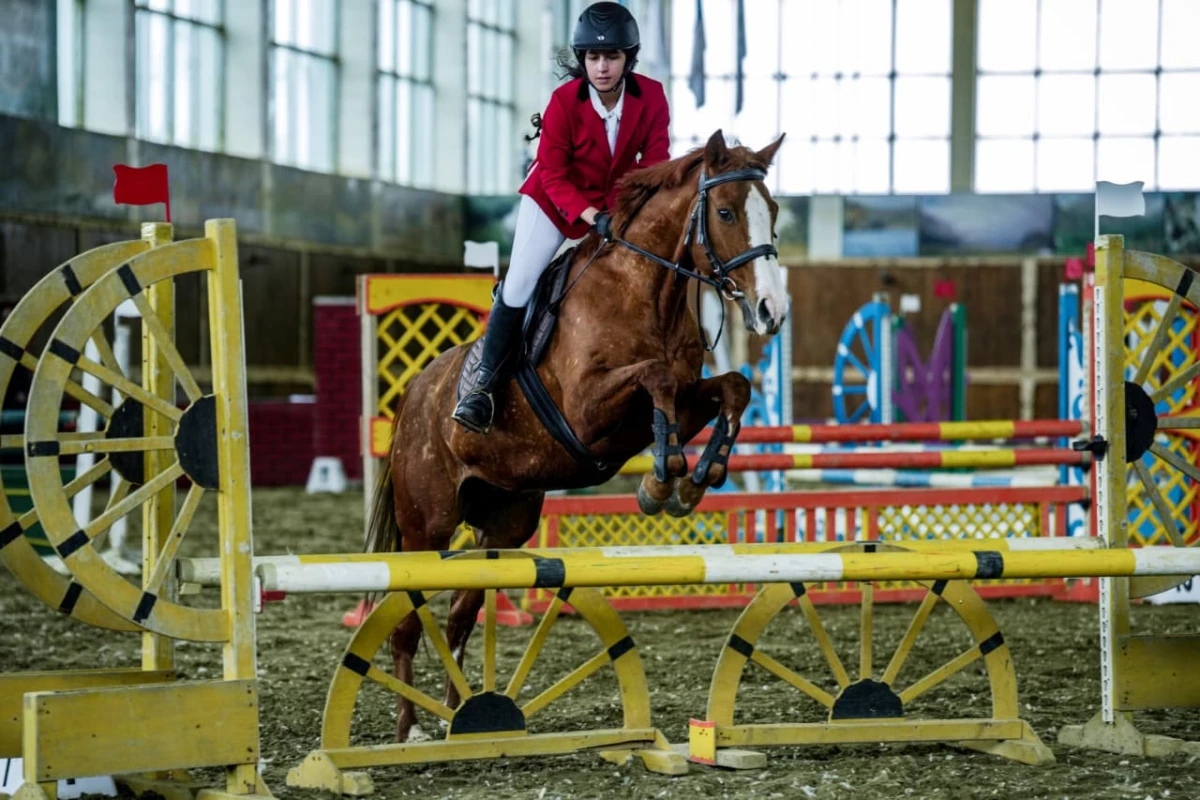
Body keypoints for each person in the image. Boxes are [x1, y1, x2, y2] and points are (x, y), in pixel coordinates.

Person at [452, 1, 672, 435]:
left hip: (615, 204)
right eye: (593, 57)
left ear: (629, 58)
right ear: (582, 59)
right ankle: (483, 386)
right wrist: (592, 215)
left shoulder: (651, 98)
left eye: (611, 57)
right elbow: (552, 174)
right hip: (554, 201)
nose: (602, 67)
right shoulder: (563, 102)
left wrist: (620, 210)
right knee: (518, 282)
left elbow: (657, 162)